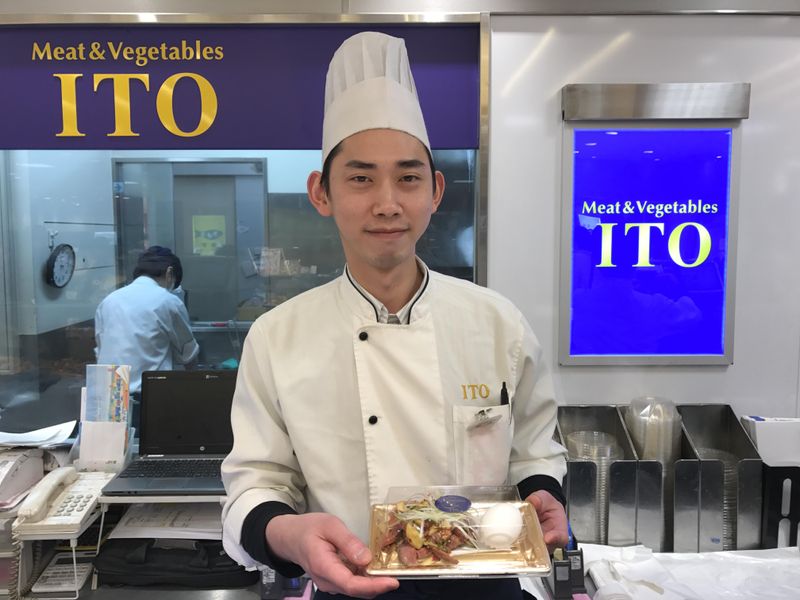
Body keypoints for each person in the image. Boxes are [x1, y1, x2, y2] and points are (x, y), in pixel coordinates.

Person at [221, 32, 568, 600]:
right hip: (349, 587)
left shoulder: (497, 323)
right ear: (321, 193)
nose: (387, 203)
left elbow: (535, 448)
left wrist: (542, 491)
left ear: (435, 191)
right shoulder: (277, 337)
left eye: (408, 178)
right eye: (361, 178)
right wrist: (289, 534)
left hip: (487, 589)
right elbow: (256, 481)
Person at [94, 246, 199, 427]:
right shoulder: (167, 301)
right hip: (149, 400)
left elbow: (101, 349)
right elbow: (188, 354)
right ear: (169, 273)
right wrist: (195, 388)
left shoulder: (109, 301)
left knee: (115, 444)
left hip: (110, 399)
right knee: (152, 444)